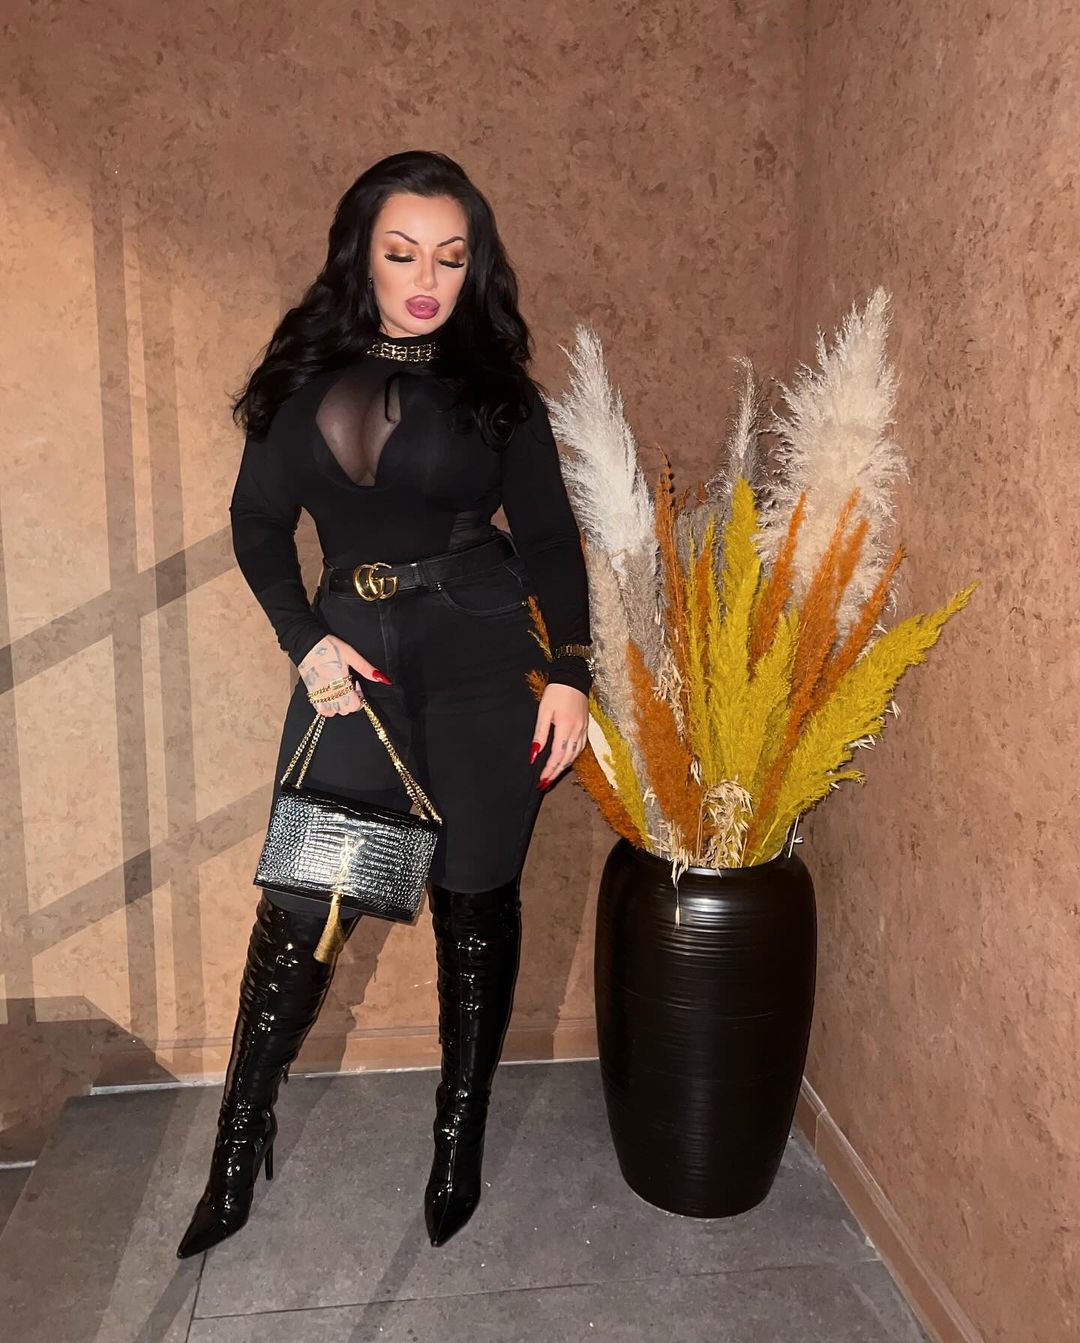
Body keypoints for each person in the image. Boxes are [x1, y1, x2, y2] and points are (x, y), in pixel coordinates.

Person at [176, 150, 594, 1258]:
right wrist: (303, 638)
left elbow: (550, 537)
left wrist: (572, 671)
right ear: (362, 254)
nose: (427, 280)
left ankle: (458, 1140)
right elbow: (258, 524)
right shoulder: (304, 374)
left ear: (475, 266)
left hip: (482, 661)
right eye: (404, 253)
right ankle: (236, 1146)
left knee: (475, 901)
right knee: (306, 908)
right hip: (354, 670)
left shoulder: (497, 391)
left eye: (451, 258)